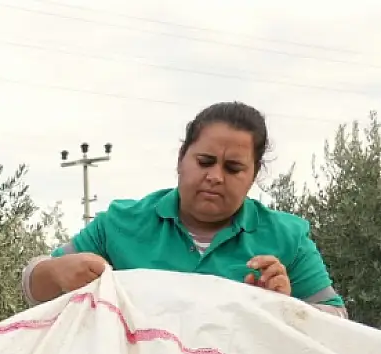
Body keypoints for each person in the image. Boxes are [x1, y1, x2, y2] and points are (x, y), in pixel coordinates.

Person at [23, 102, 349, 319]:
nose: (215, 177)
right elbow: (34, 288)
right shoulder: (120, 223)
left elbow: (338, 321)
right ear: (181, 158)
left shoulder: (289, 238)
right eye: (204, 161)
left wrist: (288, 309)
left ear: (254, 175)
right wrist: (56, 271)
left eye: (233, 168)